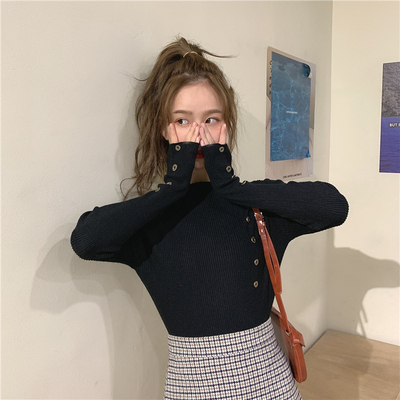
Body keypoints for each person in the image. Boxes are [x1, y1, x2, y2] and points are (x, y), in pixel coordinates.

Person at [71, 37, 348, 400]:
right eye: (182, 121)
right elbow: (85, 240)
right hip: (191, 388)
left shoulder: (251, 204)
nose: (199, 135)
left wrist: (231, 187)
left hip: (272, 384)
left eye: (211, 120)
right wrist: (172, 188)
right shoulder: (151, 216)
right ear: (163, 129)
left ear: (227, 127)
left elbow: (334, 207)